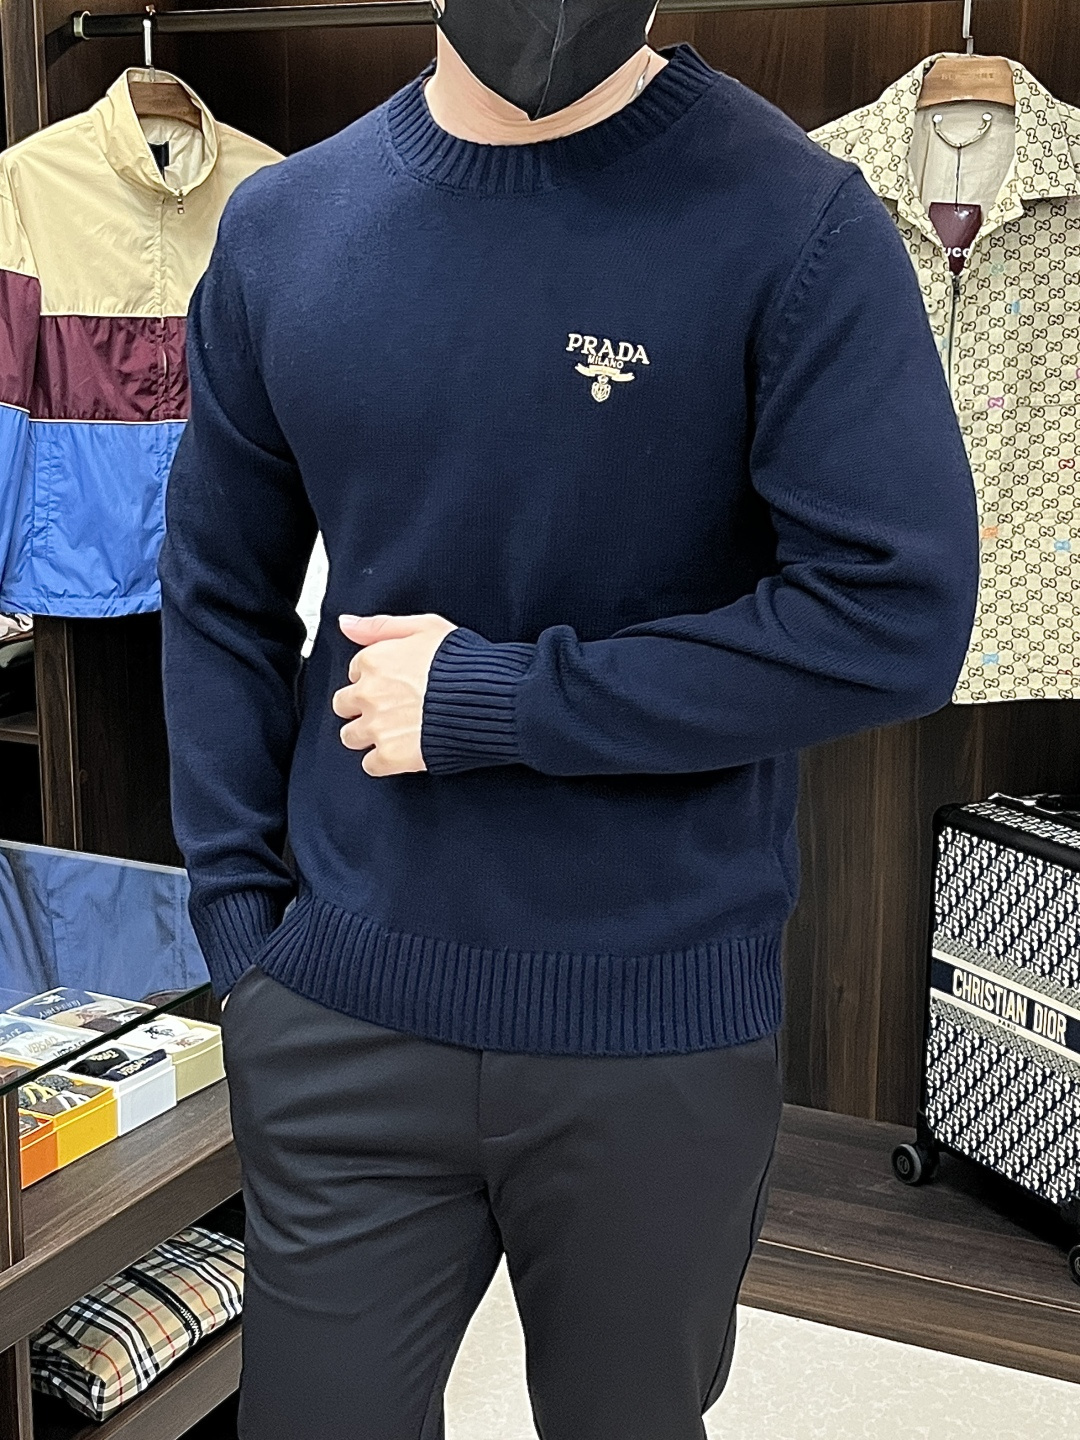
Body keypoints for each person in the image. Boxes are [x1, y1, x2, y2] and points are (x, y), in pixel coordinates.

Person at [159, 3, 979, 1437]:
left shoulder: (795, 220)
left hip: (656, 1023)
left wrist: (502, 701)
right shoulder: (286, 225)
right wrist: (240, 928)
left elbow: (894, 615)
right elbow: (217, 592)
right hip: (339, 1007)